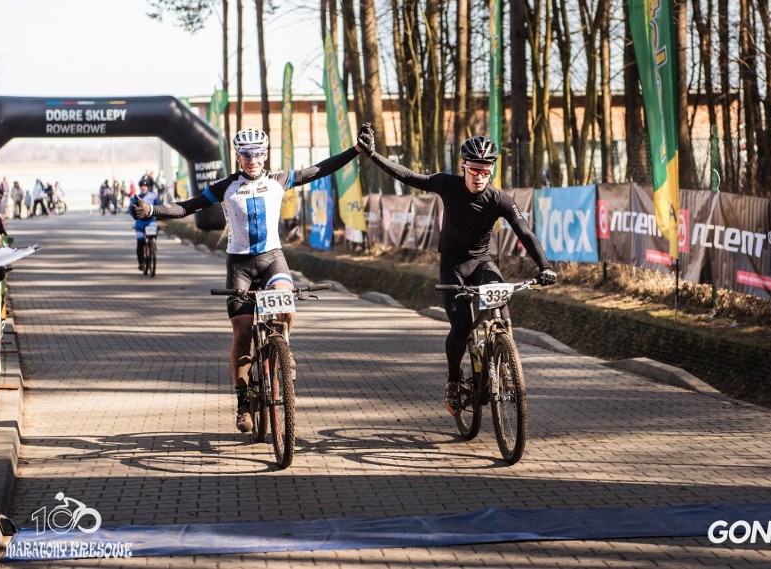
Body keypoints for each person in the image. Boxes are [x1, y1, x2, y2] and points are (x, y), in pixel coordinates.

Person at [132, 127, 362, 433]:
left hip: (272, 258)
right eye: (246, 155)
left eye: (258, 154)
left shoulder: (279, 180)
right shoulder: (226, 187)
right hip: (240, 265)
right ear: (238, 157)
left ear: (265, 154)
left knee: (287, 306)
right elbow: (187, 206)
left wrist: (356, 150)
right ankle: (243, 402)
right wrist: (152, 210)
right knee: (241, 334)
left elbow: (321, 169)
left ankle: (283, 350)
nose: (252, 160)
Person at [356, 124, 557, 415]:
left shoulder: (500, 200)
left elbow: (524, 232)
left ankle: (504, 356)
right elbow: (408, 175)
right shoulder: (447, 185)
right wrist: (373, 155)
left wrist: (545, 267)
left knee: (501, 303)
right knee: (461, 326)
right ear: (463, 167)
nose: (479, 177)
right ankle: (453, 381)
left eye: (486, 171)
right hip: (453, 266)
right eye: (474, 170)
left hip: (482, 262)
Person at [131, 182, 161, 272]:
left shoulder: (153, 196)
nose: (143, 187)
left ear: (147, 187)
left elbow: (159, 206)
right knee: (140, 241)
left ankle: (153, 245)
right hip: (140, 223)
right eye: (141, 186)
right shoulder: (136, 198)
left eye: (145, 186)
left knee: (153, 232)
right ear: (140, 187)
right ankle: (141, 263)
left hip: (150, 222)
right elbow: (131, 209)